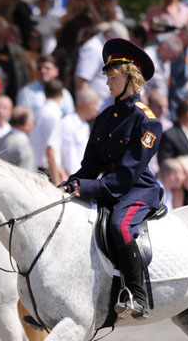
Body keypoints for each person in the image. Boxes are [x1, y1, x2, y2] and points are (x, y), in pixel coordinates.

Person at [65, 38, 163, 319]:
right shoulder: (105, 116)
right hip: (106, 184)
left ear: (131, 77)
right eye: (107, 76)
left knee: (120, 225)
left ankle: (136, 294)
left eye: (113, 76)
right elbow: (89, 165)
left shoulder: (147, 121)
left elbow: (126, 176)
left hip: (136, 189)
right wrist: (70, 183)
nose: (107, 82)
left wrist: (86, 187)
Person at [0, 106, 35, 172]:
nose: (33, 126)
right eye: (33, 123)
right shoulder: (24, 145)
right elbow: (28, 176)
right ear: (26, 123)